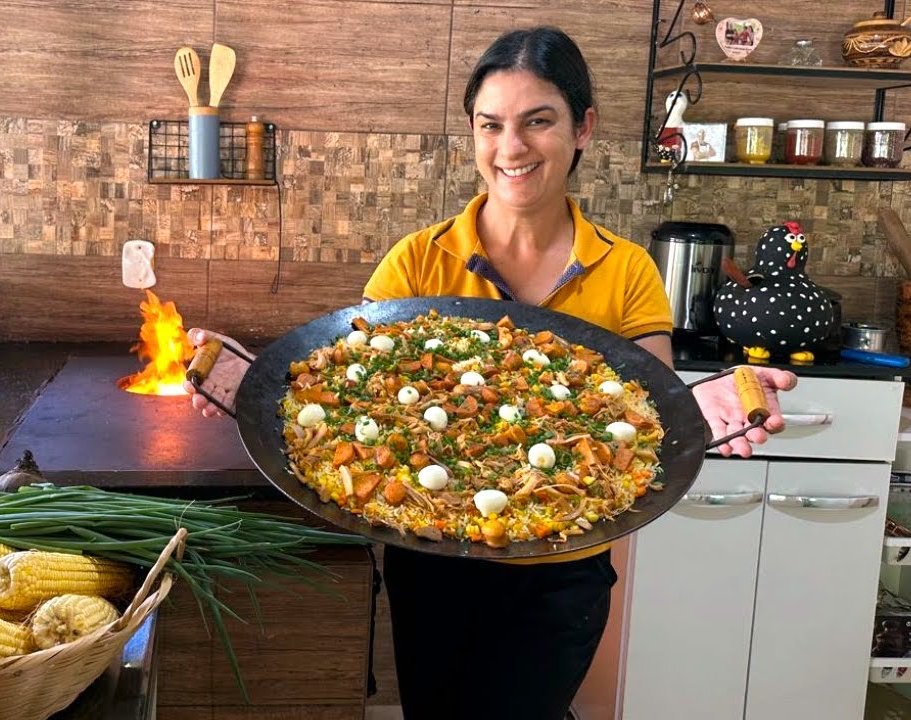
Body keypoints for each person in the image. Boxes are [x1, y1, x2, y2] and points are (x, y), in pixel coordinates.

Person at [185, 26, 797, 720]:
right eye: (491, 125)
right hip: (429, 565)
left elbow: (651, 419)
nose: (512, 148)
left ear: (583, 128)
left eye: (538, 121)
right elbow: (347, 382)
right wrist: (257, 382)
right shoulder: (418, 261)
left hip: (562, 574)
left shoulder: (625, 269)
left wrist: (706, 400)